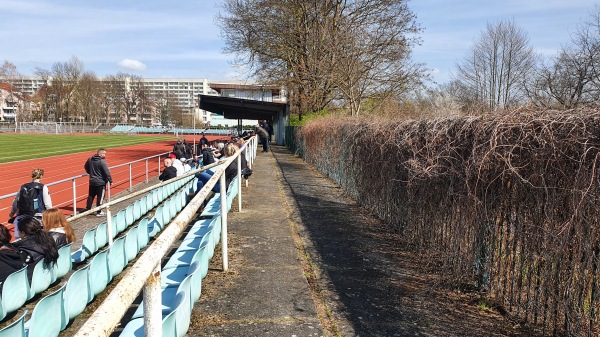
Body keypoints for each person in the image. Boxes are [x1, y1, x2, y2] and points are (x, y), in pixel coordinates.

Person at [9, 168, 53, 239]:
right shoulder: (43, 187)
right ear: (41, 176)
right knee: (39, 238)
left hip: (22, 216)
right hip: (38, 217)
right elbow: (47, 204)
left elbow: (16, 201)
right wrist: (52, 216)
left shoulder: (23, 186)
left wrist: (12, 213)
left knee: (20, 239)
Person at [13, 215, 59, 282]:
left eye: (18, 231)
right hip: (47, 276)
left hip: (32, 282)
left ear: (23, 233)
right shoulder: (48, 240)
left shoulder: (24, 249)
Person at [84, 148, 112, 217]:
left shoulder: (90, 159)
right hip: (101, 182)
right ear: (101, 154)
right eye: (104, 154)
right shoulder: (102, 162)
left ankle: (88, 209)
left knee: (91, 196)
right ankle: (99, 211)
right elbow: (107, 172)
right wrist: (110, 180)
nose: (105, 155)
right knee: (100, 197)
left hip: (92, 181)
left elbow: (85, 166)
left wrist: (90, 172)